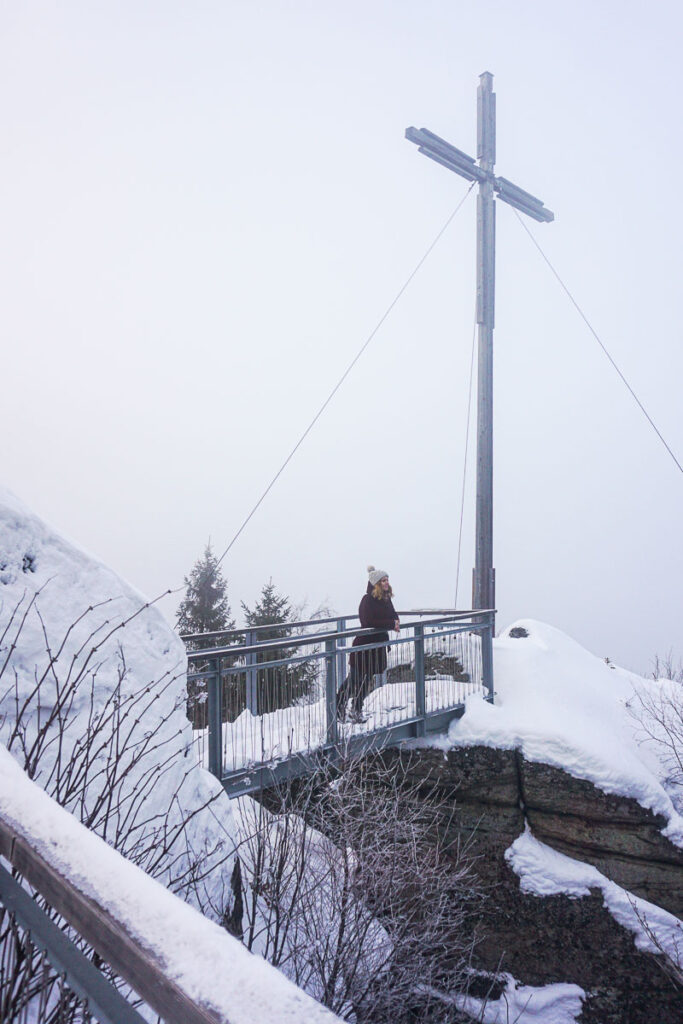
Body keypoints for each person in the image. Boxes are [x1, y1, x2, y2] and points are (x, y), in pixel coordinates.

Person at [337, 565, 400, 723]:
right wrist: (391, 624)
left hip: (376, 648)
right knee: (354, 680)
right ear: (376, 584)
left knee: (366, 682)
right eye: (383, 581)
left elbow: (392, 614)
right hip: (363, 647)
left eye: (387, 580)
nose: (387, 583)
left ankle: (356, 710)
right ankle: (338, 707)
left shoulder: (386, 599)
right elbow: (368, 622)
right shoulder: (367, 600)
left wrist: (395, 621)